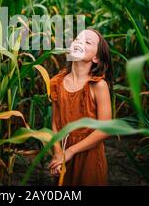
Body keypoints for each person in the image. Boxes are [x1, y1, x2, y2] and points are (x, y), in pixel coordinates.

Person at [47, 28, 114, 186]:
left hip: (89, 155)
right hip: (63, 152)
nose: (79, 42)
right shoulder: (57, 82)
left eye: (87, 42)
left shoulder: (98, 86)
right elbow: (55, 124)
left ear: (96, 58)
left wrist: (70, 151)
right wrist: (58, 154)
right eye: (77, 39)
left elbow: (105, 129)